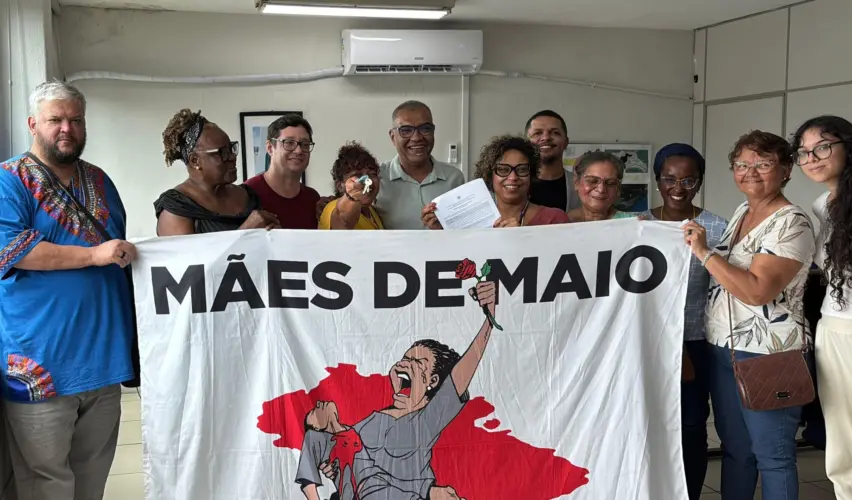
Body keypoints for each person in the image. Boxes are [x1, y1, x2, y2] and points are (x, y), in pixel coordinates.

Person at [0, 81, 136, 499]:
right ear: (32, 124)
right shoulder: (9, 180)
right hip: (40, 362)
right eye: (55, 119)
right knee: (46, 484)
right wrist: (95, 256)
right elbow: (12, 251)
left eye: (75, 120)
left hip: (103, 361)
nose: (66, 128)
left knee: (92, 479)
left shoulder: (99, 180)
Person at [683, 130, 816, 500]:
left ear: (786, 170)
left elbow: (758, 291)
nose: (750, 172)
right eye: (742, 164)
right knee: (736, 451)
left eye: (763, 164)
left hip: (770, 354)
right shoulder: (744, 211)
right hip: (724, 349)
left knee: (772, 456)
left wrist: (705, 253)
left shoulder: (792, 222)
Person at [295, 281, 496, 500]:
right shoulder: (368, 423)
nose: (405, 364)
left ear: (433, 380)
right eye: (405, 359)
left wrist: (489, 319)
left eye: (418, 362)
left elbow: (460, 376)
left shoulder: (426, 419)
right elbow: (345, 454)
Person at [641, 143, 728, 500]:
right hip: (647, 341)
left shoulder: (716, 227)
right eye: (669, 179)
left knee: (692, 425)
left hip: (694, 340)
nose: (678, 188)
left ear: (700, 182)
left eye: (688, 180)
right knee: (650, 422)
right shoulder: (638, 225)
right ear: (657, 180)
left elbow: (725, 286)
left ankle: (689, 492)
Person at [793, 115, 852, 499]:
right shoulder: (819, 205)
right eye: (803, 152)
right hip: (835, 325)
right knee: (842, 430)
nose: (812, 158)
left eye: (823, 147)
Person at [154, 109, 279, 235]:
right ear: (195, 161)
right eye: (223, 152)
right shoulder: (176, 208)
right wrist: (245, 231)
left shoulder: (247, 196)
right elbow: (190, 255)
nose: (232, 157)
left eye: (231, 148)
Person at [354, 100, 464, 229]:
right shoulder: (377, 177)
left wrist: (443, 228)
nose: (417, 137)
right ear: (393, 137)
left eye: (425, 129)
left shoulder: (454, 178)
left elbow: (464, 230)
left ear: (433, 132)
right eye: (406, 130)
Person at [420, 135, 570, 229]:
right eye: (503, 170)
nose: (513, 177)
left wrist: (523, 240)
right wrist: (441, 231)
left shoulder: (555, 219)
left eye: (522, 169)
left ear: (531, 174)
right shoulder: (470, 220)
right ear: (490, 175)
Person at [245, 114, 321, 229]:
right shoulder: (246, 194)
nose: (299, 150)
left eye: (305, 144)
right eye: (289, 143)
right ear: (270, 148)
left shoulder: (313, 199)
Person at [525, 110, 581, 212]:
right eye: (537, 133)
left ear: (566, 142)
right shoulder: (514, 183)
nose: (546, 137)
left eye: (555, 133)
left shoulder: (582, 186)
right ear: (526, 144)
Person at [319, 142, 384, 230]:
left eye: (372, 174)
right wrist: (352, 196)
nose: (367, 180)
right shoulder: (332, 207)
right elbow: (343, 220)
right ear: (340, 186)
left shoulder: (371, 212)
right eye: (357, 175)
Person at [566, 151, 636, 222]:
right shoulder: (560, 221)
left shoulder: (632, 224)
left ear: (618, 189)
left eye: (610, 183)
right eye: (592, 181)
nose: (601, 189)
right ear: (576, 183)